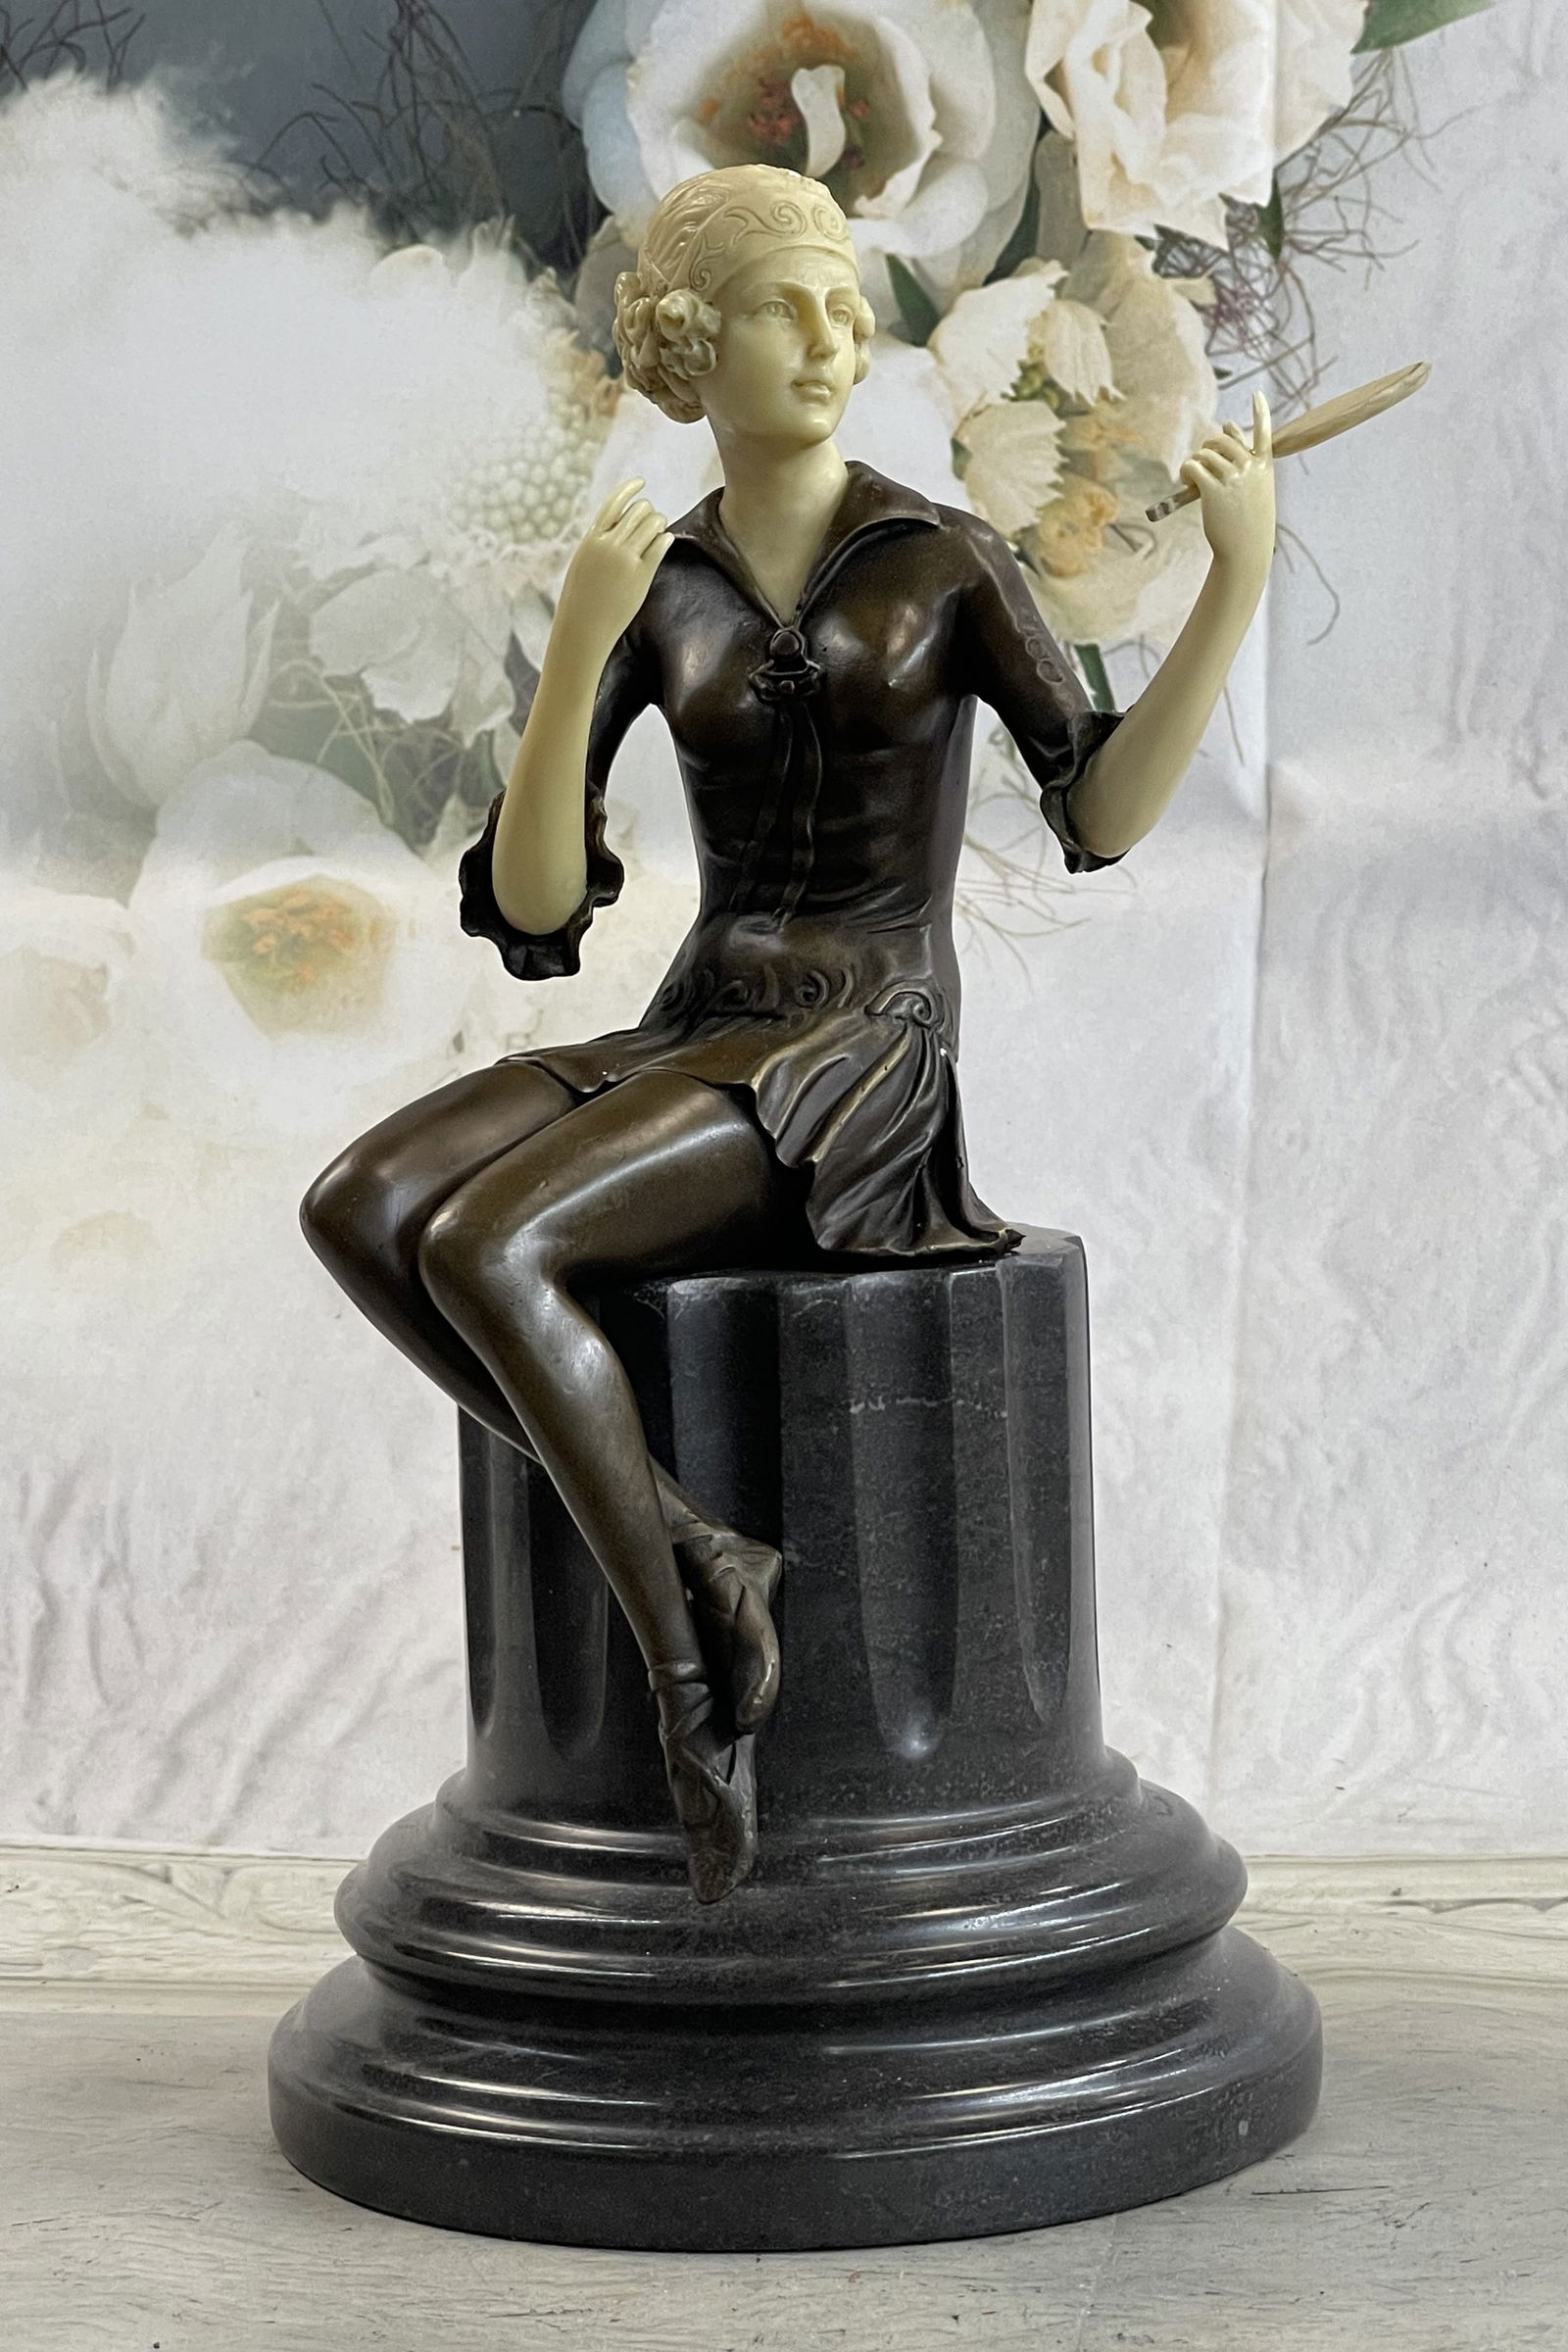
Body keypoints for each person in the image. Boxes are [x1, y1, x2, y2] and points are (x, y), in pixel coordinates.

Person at [302, 163, 1277, 1904]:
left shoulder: (943, 557)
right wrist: (579, 644)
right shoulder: (657, 577)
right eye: (783, 309)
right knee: (362, 1204)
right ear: (695, 343)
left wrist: (1233, 578)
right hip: (702, 1015)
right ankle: (695, 1541)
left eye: (845, 305)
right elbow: (535, 905)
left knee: (488, 1242)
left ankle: (691, 1679)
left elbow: (1102, 812)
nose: (832, 340)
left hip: (861, 1043)